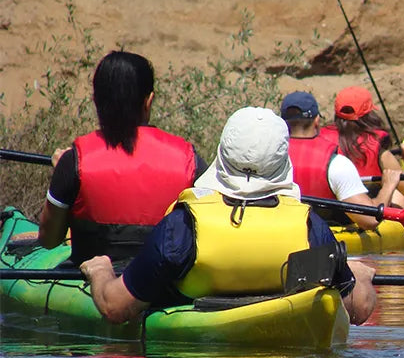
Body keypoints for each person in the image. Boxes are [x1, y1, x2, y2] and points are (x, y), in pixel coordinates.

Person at [79, 107, 378, 325]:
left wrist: (100, 271)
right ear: (282, 161)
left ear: (223, 153)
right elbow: (358, 309)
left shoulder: (183, 227)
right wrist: (361, 277)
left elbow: (114, 307)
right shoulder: (310, 227)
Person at [37, 50, 206, 264]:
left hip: (92, 283)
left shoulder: (74, 161)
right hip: (166, 288)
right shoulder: (190, 160)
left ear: (96, 102)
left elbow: (49, 240)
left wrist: (62, 174)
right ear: (148, 101)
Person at [279, 91, 402, 231]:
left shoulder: (268, 157)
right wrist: (388, 185)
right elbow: (370, 219)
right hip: (325, 238)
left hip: (281, 232)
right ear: (317, 121)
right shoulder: (336, 163)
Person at [321, 86, 404, 207]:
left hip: (329, 214)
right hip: (369, 216)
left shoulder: (320, 138)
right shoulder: (379, 152)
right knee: (397, 183)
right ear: (370, 114)